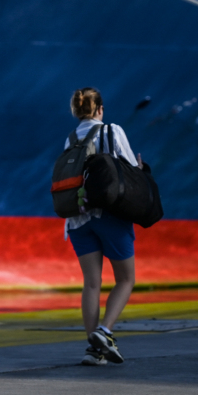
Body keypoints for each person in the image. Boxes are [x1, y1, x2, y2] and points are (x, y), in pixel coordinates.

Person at [65, 87, 140, 366]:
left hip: (76, 219)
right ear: (100, 110)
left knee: (92, 283)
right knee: (125, 279)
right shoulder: (112, 130)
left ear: (76, 111)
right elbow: (130, 166)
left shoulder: (71, 138)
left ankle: (93, 351)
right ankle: (105, 331)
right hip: (109, 215)